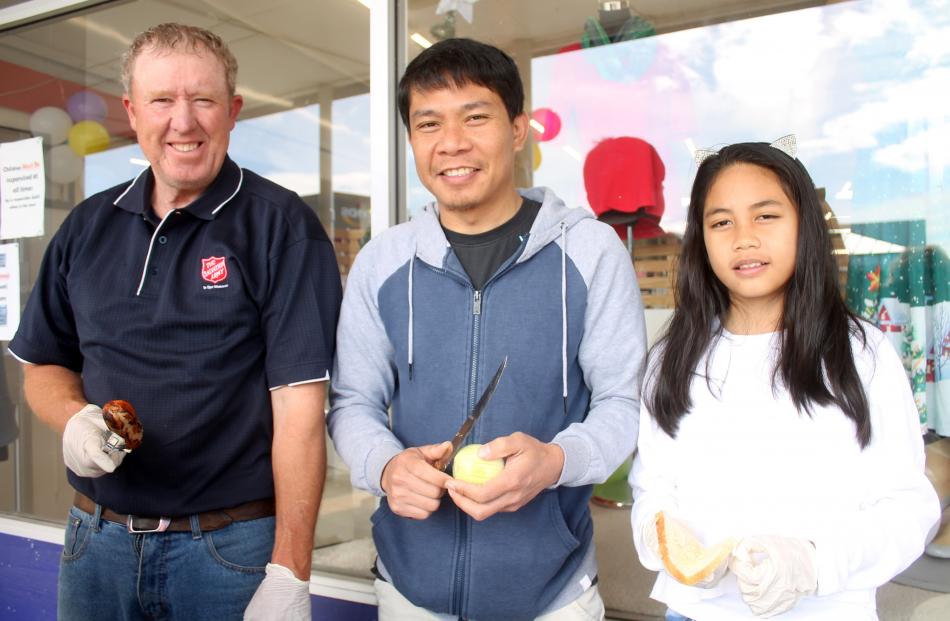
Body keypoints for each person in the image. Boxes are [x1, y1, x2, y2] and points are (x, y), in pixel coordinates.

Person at [8, 23, 341, 621]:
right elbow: (43, 364)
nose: (182, 122)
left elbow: (300, 413)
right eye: (162, 100)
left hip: (226, 552)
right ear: (133, 113)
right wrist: (75, 418)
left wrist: (290, 572)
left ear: (233, 111)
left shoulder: (279, 226)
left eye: (203, 100)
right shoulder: (86, 228)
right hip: (94, 544)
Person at [327, 37, 646, 620]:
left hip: (555, 598)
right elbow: (352, 403)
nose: (452, 143)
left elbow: (623, 403)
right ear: (412, 139)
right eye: (429, 124)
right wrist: (385, 466)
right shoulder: (382, 261)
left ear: (518, 129)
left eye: (476, 117)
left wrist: (555, 461)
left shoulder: (592, 252)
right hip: (407, 592)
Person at [629, 139, 940, 620]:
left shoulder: (862, 354)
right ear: (701, 239)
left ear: (805, 225)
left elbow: (908, 506)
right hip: (693, 612)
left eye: (766, 216)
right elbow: (653, 487)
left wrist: (813, 564)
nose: (743, 238)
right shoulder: (671, 358)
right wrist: (657, 531)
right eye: (721, 222)